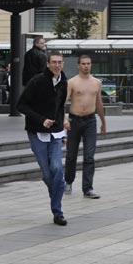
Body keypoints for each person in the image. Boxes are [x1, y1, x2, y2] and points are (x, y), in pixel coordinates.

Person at [18, 51, 69, 226]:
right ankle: (55, 196)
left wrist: (62, 129)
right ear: (48, 64)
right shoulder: (37, 81)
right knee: (48, 175)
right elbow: (21, 105)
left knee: (57, 170)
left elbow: (60, 107)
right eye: (54, 62)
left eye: (60, 62)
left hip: (55, 132)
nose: (57, 65)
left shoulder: (64, 82)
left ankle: (58, 211)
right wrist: (41, 120)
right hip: (37, 131)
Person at [64, 54, 106, 199]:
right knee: (71, 155)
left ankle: (87, 188)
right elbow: (63, 102)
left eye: (88, 63)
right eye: (83, 64)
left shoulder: (96, 83)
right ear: (78, 65)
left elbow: (99, 104)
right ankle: (68, 181)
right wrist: (64, 119)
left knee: (89, 157)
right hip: (75, 120)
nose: (86, 66)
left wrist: (103, 122)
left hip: (90, 121)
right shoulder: (72, 82)